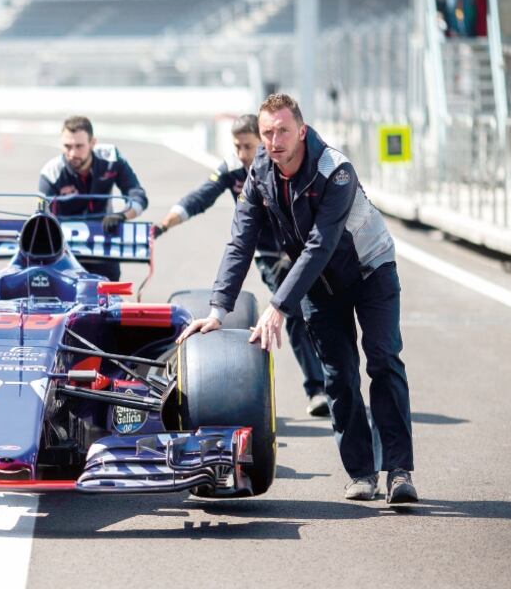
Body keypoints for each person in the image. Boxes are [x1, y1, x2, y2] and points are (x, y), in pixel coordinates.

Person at [177, 93, 418, 505]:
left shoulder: (335, 170)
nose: (274, 141)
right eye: (267, 133)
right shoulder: (259, 173)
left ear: (301, 131)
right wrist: (219, 309)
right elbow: (241, 241)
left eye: (283, 131)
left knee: (382, 359)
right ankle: (362, 473)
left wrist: (278, 306)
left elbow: (321, 244)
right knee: (338, 376)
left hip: (370, 270)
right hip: (319, 284)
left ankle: (398, 471)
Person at [154, 114, 329, 417]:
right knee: (294, 310)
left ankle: (335, 381)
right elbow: (200, 197)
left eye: (249, 146)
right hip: (270, 255)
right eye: (237, 147)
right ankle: (317, 389)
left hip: (304, 249)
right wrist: (164, 224)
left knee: (323, 314)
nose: (243, 154)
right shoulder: (233, 169)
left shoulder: (286, 164)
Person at [38, 116, 148, 281]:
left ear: (93, 143)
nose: (73, 153)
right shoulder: (51, 173)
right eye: (67, 146)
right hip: (65, 250)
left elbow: (138, 196)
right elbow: (43, 219)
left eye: (79, 146)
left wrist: (121, 215)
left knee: (110, 284)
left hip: (103, 243)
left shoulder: (111, 159)